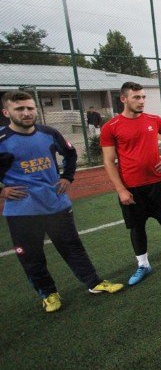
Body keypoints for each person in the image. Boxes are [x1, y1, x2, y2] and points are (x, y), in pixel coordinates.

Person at [0, 91, 123, 313]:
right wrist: (3, 189)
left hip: (56, 204)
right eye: (20, 109)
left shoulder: (49, 133)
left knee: (73, 247)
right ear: (6, 112)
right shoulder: (2, 141)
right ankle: (48, 294)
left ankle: (94, 283)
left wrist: (67, 177)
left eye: (30, 108)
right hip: (22, 211)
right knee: (31, 256)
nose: (26, 113)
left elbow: (71, 154)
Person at [101, 82, 161, 286]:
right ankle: (143, 264)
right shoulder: (111, 127)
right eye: (136, 97)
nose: (141, 101)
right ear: (123, 99)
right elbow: (108, 161)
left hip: (157, 183)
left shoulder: (153, 120)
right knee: (137, 227)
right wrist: (121, 189)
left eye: (143, 97)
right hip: (131, 187)